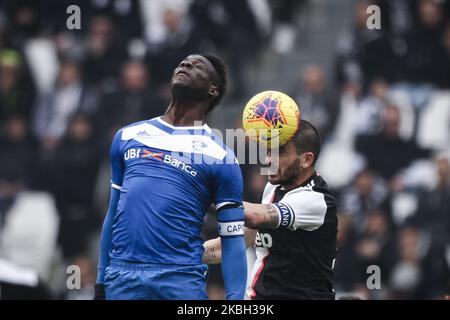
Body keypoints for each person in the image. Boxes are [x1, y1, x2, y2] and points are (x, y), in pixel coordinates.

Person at [95, 54, 247, 300]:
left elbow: (232, 239)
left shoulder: (220, 156)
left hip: (179, 279)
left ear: (213, 89)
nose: (186, 65)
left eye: (198, 66)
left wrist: (235, 301)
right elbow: (113, 214)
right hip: (122, 277)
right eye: (184, 62)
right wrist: (101, 282)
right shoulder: (128, 136)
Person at [203, 120, 338, 299]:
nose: (268, 160)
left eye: (280, 153)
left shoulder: (316, 199)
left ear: (306, 159)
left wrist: (199, 193)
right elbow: (239, 241)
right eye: (269, 151)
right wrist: (182, 254)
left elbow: (257, 216)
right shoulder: (273, 188)